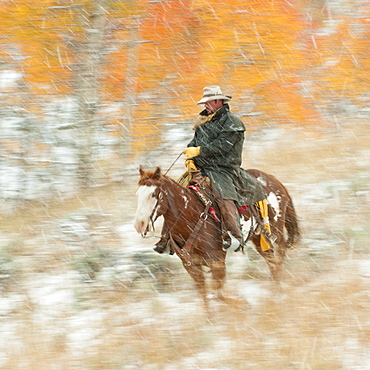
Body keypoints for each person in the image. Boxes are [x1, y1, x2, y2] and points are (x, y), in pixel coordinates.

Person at [154, 85, 266, 253]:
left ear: (218, 101)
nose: (205, 106)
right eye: (204, 102)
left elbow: (223, 146)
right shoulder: (204, 121)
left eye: (208, 102)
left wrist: (200, 151)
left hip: (224, 169)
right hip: (202, 167)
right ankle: (167, 238)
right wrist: (190, 158)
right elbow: (194, 143)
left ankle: (235, 236)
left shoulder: (232, 122)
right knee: (175, 194)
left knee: (223, 196)